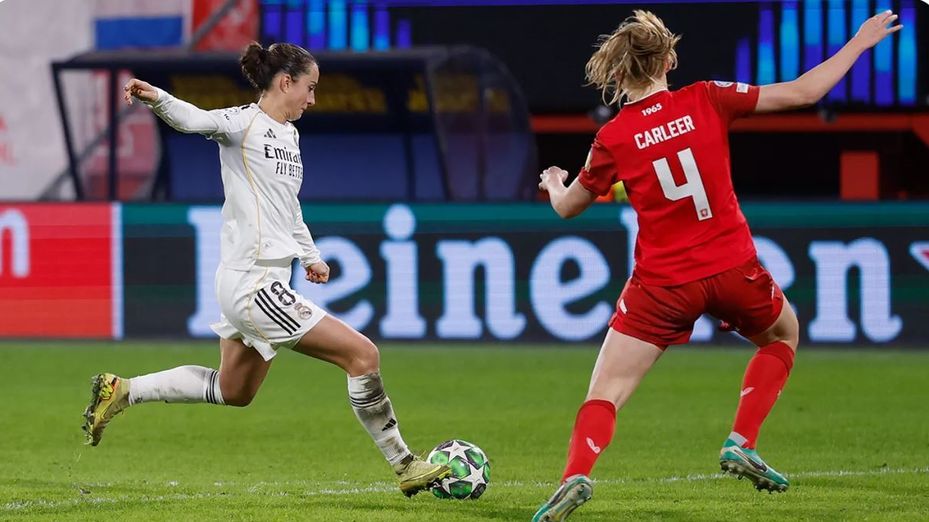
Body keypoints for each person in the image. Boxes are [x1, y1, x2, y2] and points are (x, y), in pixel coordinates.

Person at [531, 9, 902, 521]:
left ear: (618, 72)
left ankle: (575, 476)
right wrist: (859, 43)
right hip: (733, 267)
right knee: (783, 335)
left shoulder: (614, 137)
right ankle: (741, 440)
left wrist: (554, 182)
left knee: (606, 393)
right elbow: (802, 93)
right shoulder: (707, 97)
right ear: (669, 59)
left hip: (663, 284)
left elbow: (570, 206)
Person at [81, 42, 450, 498]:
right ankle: (405, 463)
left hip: (258, 280)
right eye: (309, 88)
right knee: (362, 356)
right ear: (285, 82)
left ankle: (123, 390)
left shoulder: (289, 137)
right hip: (252, 284)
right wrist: (156, 96)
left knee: (234, 390)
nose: (312, 100)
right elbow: (197, 120)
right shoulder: (243, 123)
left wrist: (309, 255)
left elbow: (288, 208)